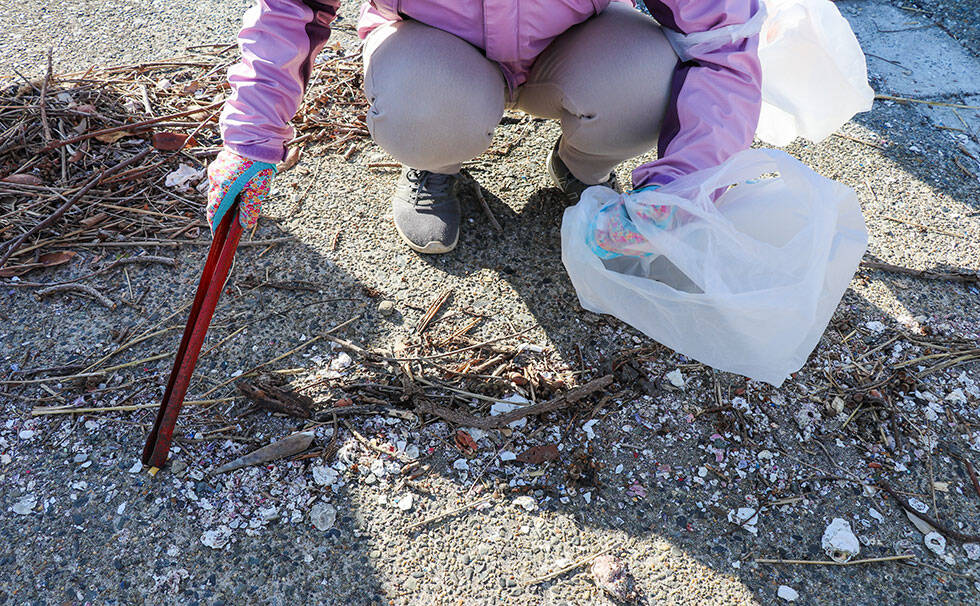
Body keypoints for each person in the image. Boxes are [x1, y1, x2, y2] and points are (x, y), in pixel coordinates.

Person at [207, 0, 763, 255]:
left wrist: (684, 185)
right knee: (421, 107)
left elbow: (723, 42)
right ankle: (434, 163)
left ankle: (586, 165)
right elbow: (290, 10)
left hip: (569, 47)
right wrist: (251, 140)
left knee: (652, 78)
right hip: (433, 46)